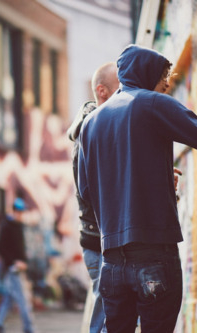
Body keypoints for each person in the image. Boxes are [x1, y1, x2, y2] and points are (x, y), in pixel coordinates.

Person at [77, 44, 197, 333]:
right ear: (146, 73)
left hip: (111, 264)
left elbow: (87, 192)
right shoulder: (151, 103)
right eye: (164, 77)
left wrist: (151, 179)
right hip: (153, 256)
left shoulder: (90, 123)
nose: (166, 85)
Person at [67, 62, 119, 333]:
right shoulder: (92, 131)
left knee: (110, 318)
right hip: (99, 242)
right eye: (120, 89)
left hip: (101, 241)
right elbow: (91, 190)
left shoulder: (98, 126)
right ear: (102, 91)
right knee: (107, 320)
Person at [0, 197, 35, 333]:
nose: (20, 214)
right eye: (18, 211)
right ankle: (28, 328)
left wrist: (24, 262)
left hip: (18, 267)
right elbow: (0, 248)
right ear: (14, 211)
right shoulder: (6, 226)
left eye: (22, 212)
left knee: (8, 298)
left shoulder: (19, 226)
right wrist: (14, 262)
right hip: (12, 268)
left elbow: (21, 248)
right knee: (22, 298)